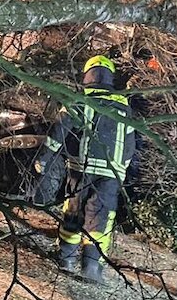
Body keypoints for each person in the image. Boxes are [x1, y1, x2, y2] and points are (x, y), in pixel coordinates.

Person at [31, 54, 137, 283]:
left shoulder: (77, 100)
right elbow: (130, 144)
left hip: (81, 169)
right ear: (110, 77)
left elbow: (58, 133)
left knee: (74, 213)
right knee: (100, 220)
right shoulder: (123, 108)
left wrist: (44, 159)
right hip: (110, 175)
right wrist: (123, 171)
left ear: (87, 75)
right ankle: (91, 267)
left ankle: (66, 259)